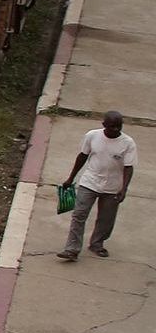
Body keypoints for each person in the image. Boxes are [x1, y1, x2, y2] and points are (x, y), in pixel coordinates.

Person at [57, 112, 137, 261]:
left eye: (118, 126)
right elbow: (82, 156)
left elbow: (128, 167)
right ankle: (72, 249)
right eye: (112, 126)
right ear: (104, 125)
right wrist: (70, 178)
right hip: (90, 182)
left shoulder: (128, 143)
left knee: (106, 219)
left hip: (113, 186)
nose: (115, 129)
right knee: (79, 214)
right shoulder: (92, 136)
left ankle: (97, 243)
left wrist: (124, 188)